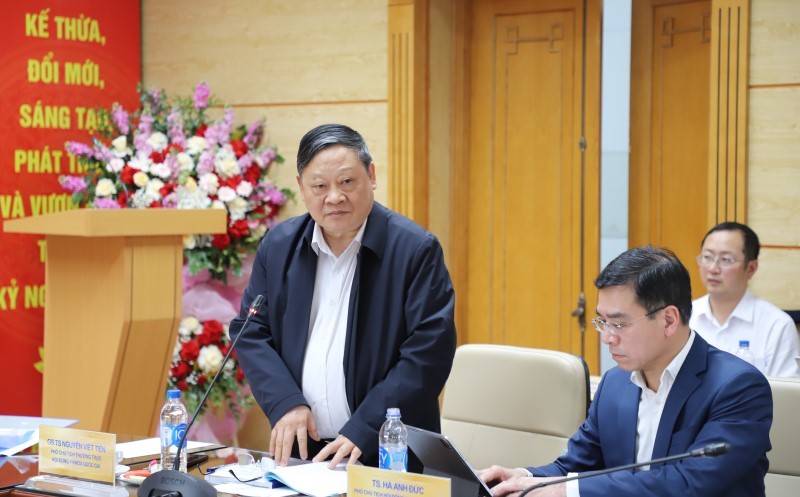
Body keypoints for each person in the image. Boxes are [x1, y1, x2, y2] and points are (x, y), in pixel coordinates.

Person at [229, 123, 457, 468]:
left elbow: (428, 353)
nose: (334, 197)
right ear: (302, 188)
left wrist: (366, 428)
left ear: (372, 176)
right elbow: (250, 333)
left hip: (387, 451)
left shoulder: (414, 249)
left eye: (347, 182)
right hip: (303, 452)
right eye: (320, 186)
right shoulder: (278, 246)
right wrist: (285, 402)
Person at [479, 246, 773, 497]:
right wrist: (522, 477)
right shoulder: (616, 383)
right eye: (602, 322)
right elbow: (575, 466)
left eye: (619, 324)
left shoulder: (738, 387)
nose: (607, 337)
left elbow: (689, 483)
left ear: (669, 320)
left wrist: (566, 491)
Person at [690, 221, 800, 377]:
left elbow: (785, 390)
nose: (713, 269)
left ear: (751, 268)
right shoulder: (684, 317)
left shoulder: (777, 325)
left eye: (726, 259)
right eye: (707, 257)